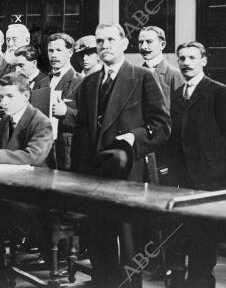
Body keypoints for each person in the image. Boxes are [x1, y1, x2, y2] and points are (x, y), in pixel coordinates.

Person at [70, 23, 171, 288]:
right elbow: (81, 134)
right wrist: (77, 177)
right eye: (100, 42)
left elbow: (162, 126)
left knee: (128, 247)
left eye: (111, 40)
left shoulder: (142, 77)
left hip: (128, 172)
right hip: (94, 175)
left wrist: (132, 138)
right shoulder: (90, 82)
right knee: (98, 243)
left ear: (125, 43)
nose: (105, 46)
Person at [165, 41, 226, 288]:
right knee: (184, 235)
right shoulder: (177, 95)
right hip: (183, 180)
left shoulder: (219, 91)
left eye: (192, 57)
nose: (186, 63)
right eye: (182, 58)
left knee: (205, 239)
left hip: (214, 179)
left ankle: (201, 282)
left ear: (204, 60)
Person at [32, 33, 83, 171]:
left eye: (59, 50)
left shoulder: (81, 81)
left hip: (66, 151)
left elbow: (89, 120)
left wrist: (67, 112)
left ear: (70, 52)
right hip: (42, 149)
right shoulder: (42, 82)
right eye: (50, 50)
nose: (54, 55)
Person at [138, 26, 185, 108]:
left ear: (162, 45)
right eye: (141, 42)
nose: (143, 47)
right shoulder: (136, 74)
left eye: (149, 42)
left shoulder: (175, 75)